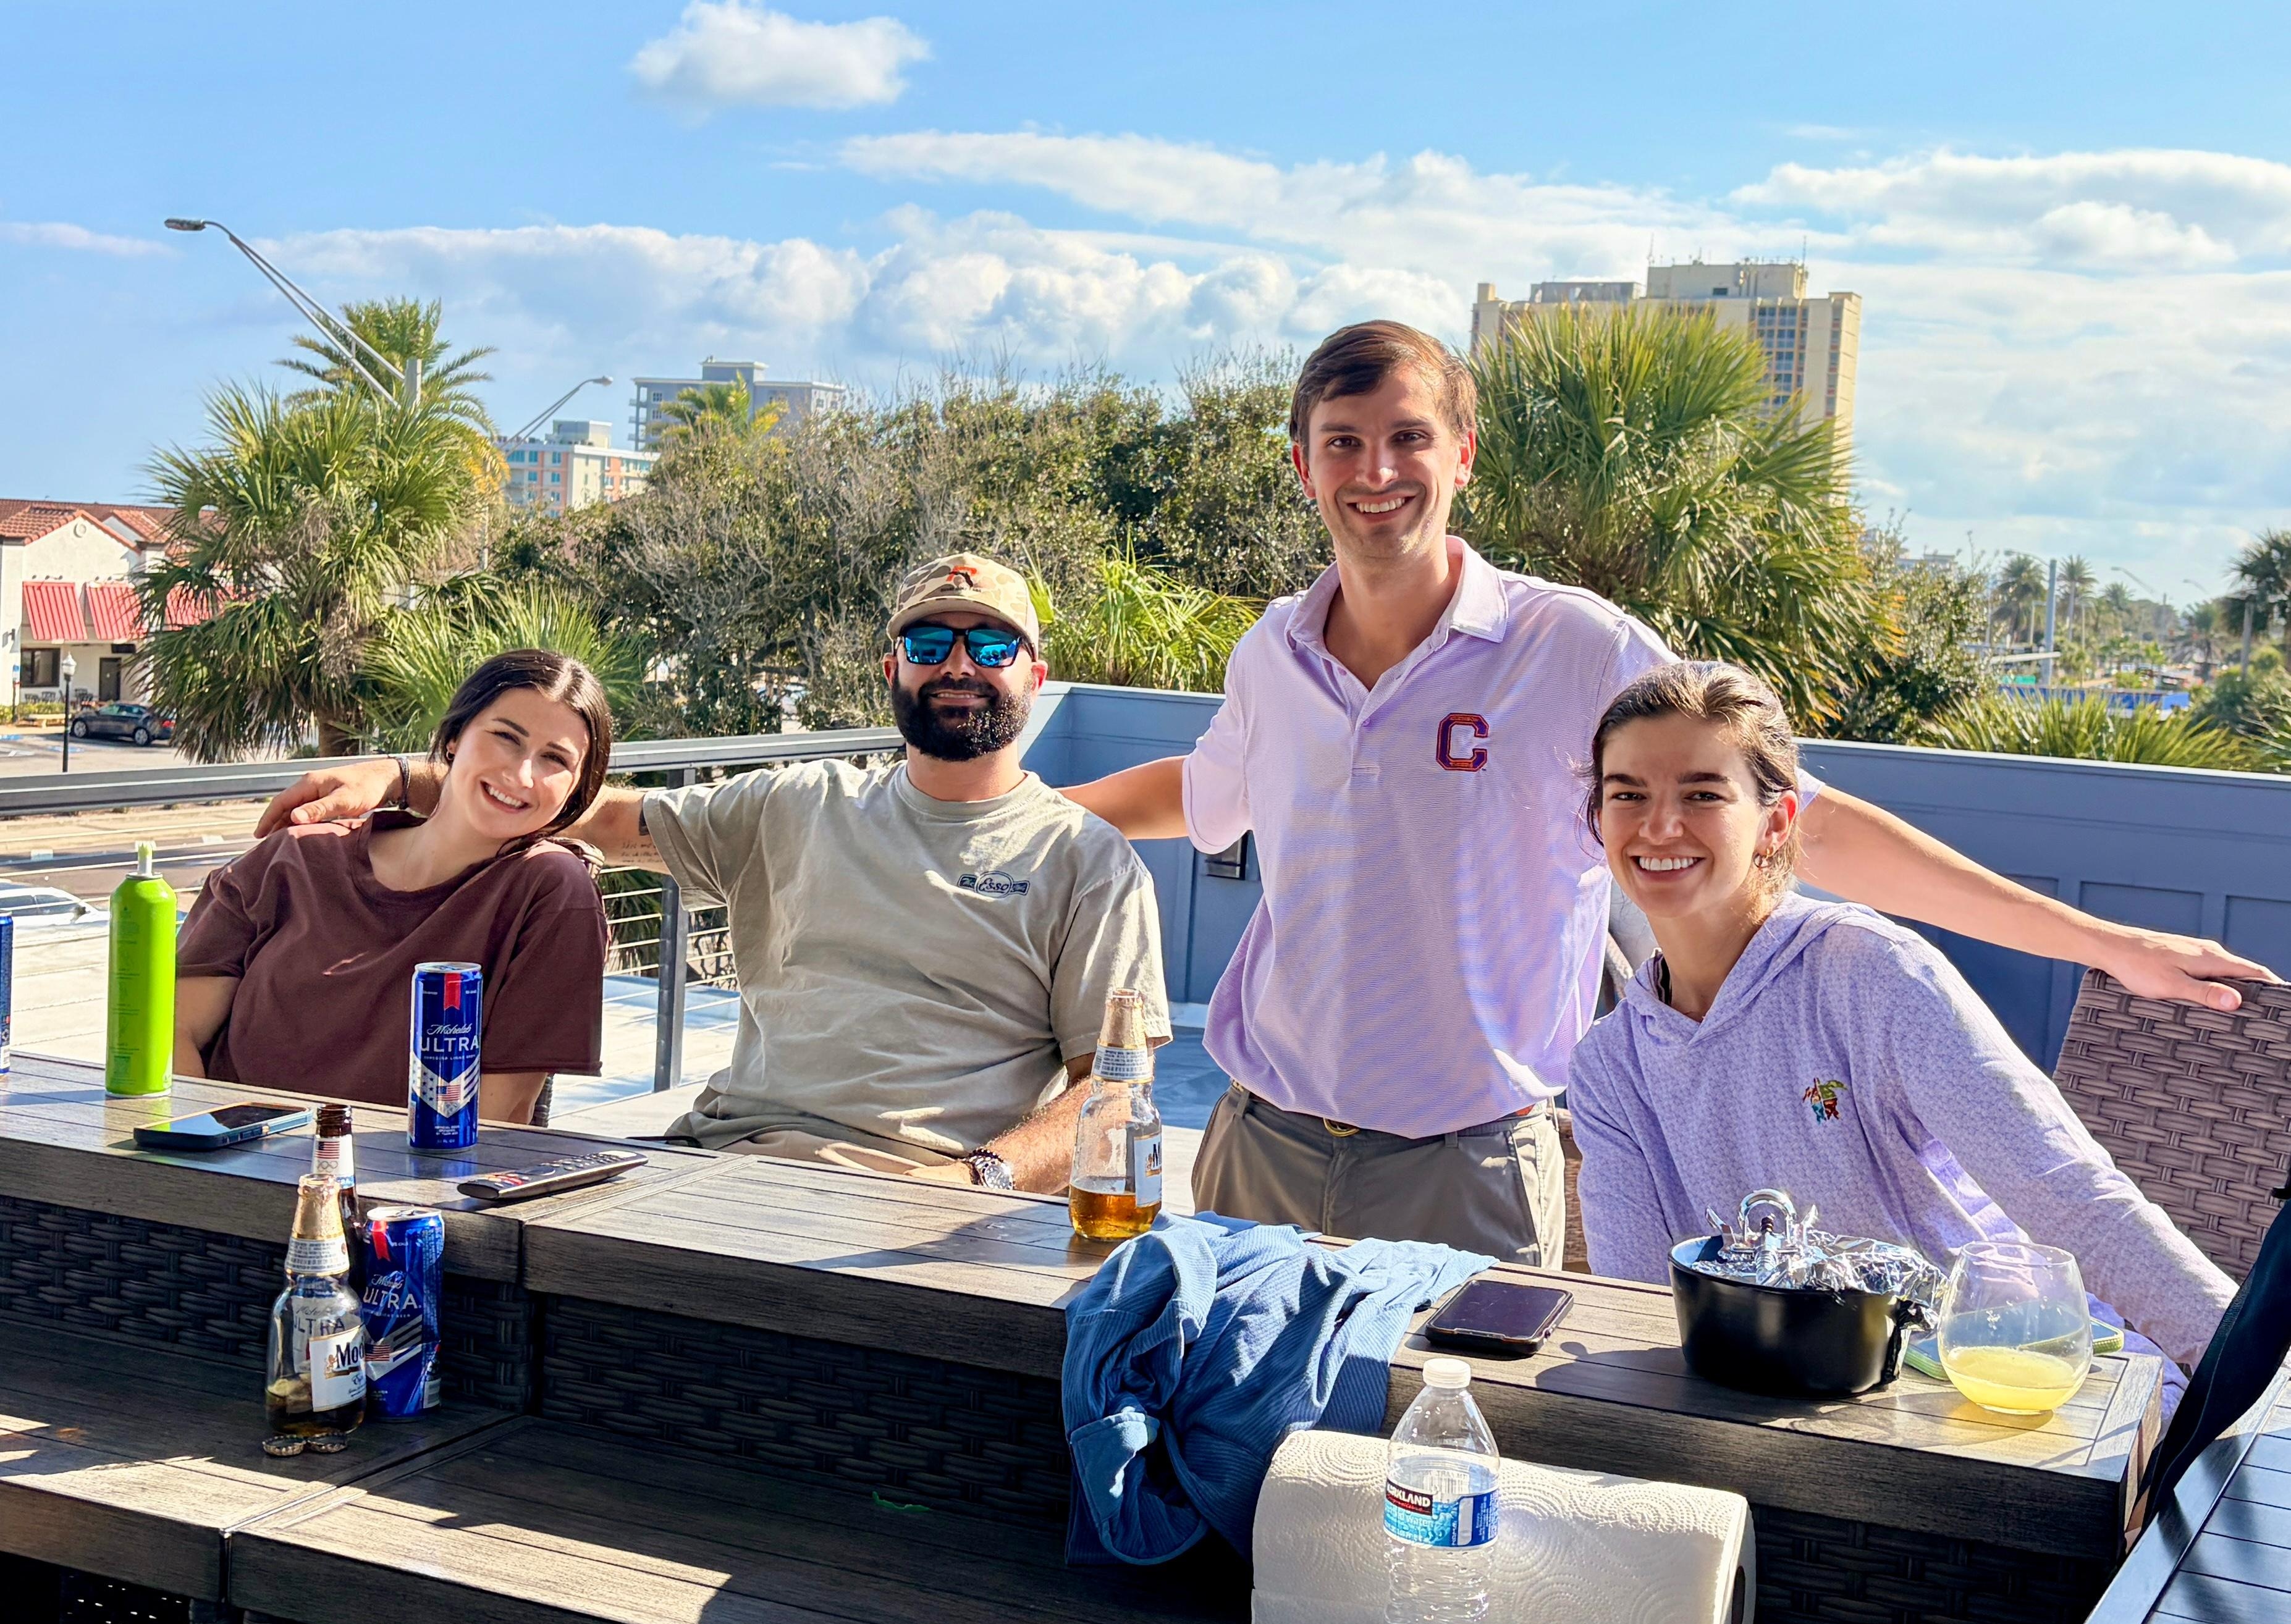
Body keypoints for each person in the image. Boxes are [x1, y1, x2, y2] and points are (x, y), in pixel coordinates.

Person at [1063, 319, 2276, 1264]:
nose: (1376, 471)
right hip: (1249, 1148)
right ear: (1302, 463)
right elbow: (1205, 787)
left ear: (1463, 455)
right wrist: (1024, 825)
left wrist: (2098, 941)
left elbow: (1801, 819)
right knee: (1235, 1485)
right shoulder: (1273, 655)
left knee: (1428, 1500)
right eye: (1344, 441)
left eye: (1409, 437)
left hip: (1464, 1177)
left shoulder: (1574, 652)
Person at [253, 553, 1168, 1192]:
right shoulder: (799, 804)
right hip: (720, 1161)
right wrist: (405, 773)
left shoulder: (1084, 861)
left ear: (1035, 675)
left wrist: (982, 1182)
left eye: (991, 647)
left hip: (922, 1186)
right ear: (894, 668)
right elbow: (590, 811)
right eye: (930, 646)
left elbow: (1115, 1090)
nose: (958, 666)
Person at [1566, 660, 2234, 1376]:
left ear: (1776, 820)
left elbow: (2066, 1192)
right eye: (1627, 794)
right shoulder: (1610, 1066)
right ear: (1599, 820)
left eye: (1703, 794)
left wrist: (2253, 1377)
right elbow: (1635, 1309)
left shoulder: (1870, 973)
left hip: (2013, 1386)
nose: (1660, 825)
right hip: (1780, 1411)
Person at [177, 650, 614, 1124]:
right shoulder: (295, 857)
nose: (523, 774)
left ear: (576, 789)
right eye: (506, 737)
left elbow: (500, 1117)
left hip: (393, 1188)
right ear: (453, 738)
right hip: (219, 1166)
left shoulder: (554, 894)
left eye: (555, 759)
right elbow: (172, 1032)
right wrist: (209, 1164)